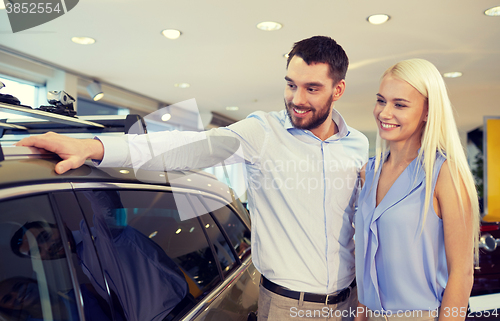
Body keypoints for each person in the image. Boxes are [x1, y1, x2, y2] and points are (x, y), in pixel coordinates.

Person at [17, 36, 369, 320]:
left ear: (337, 90)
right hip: (287, 307)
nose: (296, 99)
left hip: (350, 302)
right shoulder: (262, 131)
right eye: (291, 85)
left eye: (312, 88)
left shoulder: (357, 144)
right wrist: (94, 148)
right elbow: (186, 146)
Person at [354, 59, 480, 321]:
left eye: (399, 104)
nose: (384, 113)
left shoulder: (446, 174)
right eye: (381, 101)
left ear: (427, 111)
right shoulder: (369, 172)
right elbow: (367, 266)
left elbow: (462, 274)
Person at [10, 190, 188, 321]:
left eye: (45, 237)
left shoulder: (105, 234)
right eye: (37, 251)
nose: (48, 247)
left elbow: (106, 202)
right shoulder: (82, 260)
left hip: (181, 314)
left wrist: (79, 166)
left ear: (59, 225)